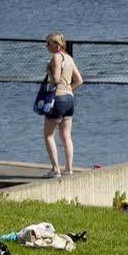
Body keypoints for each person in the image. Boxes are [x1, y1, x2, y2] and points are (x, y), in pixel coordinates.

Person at [40, 31, 82, 177]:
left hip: (57, 99)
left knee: (48, 135)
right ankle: (69, 169)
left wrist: (49, 70)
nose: (46, 46)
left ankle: (55, 169)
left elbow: (56, 79)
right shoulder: (69, 58)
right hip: (70, 99)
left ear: (57, 44)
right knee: (66, 135)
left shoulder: (57, 57)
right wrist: (70, 88)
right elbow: (79, 80)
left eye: (48, 43)